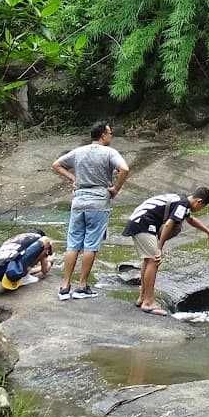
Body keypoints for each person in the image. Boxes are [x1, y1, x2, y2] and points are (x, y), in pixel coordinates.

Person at [50, 121, 128, 301]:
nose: (111, 136)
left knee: (73, 243)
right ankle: (82, 286)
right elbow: (124, 169)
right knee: (91, 244)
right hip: (98, 201)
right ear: (103, 135)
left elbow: (56, 164)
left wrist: (73, 178)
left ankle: (64, 286)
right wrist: (116, 189)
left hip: (78, 200)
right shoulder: (110, 152)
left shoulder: (79, 151)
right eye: (110, 133)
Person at [123, 188, 209, 316]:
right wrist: (160, 247)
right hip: (143, 223)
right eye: (202, 207)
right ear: (199, 202)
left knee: (149, 260)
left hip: (138, 221)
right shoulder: (182, 204)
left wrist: (208, 231)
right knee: (155, 259)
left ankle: (143, 298)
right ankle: (148, 302)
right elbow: (168, 225)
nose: (200, 209)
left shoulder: (182, 201)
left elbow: (191, 220)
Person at [0, 231, 54, 295]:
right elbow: (44, 270)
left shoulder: (17, 239)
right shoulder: (39, 238)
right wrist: (49, 257)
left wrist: (38, 268)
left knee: (13, 262)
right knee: (45, 241)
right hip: (14, 268)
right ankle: (23, 276)